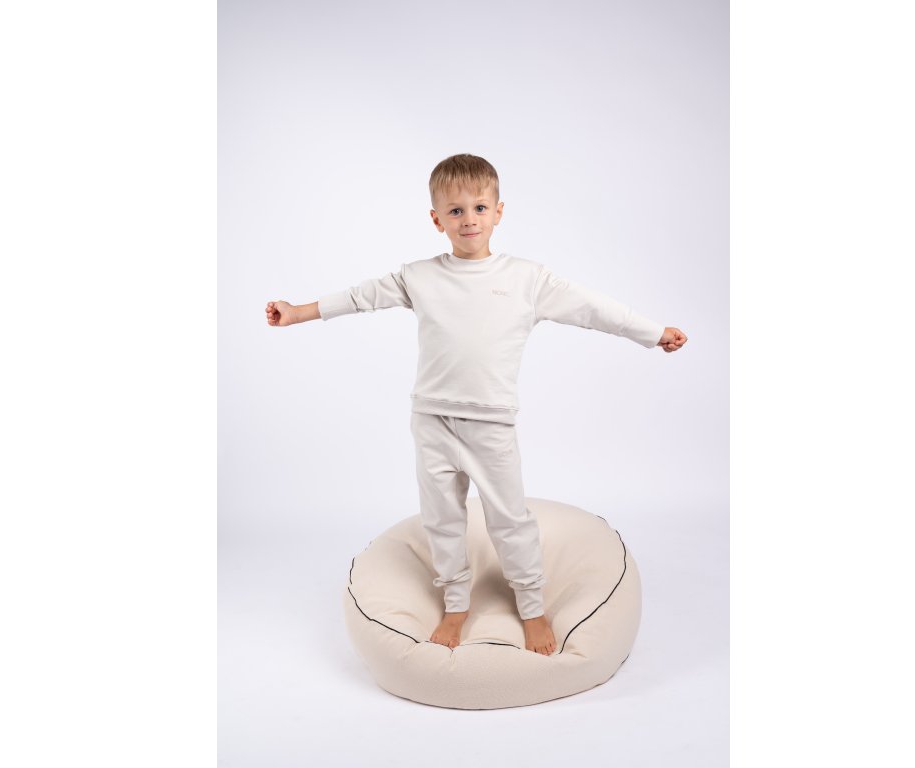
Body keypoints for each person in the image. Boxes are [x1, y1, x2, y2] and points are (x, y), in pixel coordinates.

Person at [266, 153, 688, 655]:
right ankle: (456, 604)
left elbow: (592, 308)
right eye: (456, 211)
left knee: (509, 518)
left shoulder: (528, 278)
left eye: (480, 208)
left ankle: (531, 606)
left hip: (490, 423)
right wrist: (298, 312)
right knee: (441, 518)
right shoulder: (419, 276)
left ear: (498, 211)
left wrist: (652, 333)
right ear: (437, 220)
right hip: (432, 419)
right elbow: (361, 297)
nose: (469, 219)